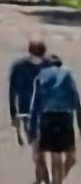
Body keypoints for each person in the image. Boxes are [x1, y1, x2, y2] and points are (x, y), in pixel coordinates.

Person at [29, 56, 81, 184]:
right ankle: (57, 180)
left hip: (48, 118)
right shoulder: (68, 75)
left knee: (50, 156)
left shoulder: (40, 76)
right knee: (70, 158)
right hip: (65, 118)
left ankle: (51, 180)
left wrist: (32, 130)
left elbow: (35, 106)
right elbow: (76, 102)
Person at [10, 41, 52, 183]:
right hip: (26, 112)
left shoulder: (49, 66)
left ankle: (44, 179)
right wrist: (13, 113)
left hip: (46, 113)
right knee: (37, 149)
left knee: (38, 150)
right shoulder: (19, 67)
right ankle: (40, 178)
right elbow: (12, 90)